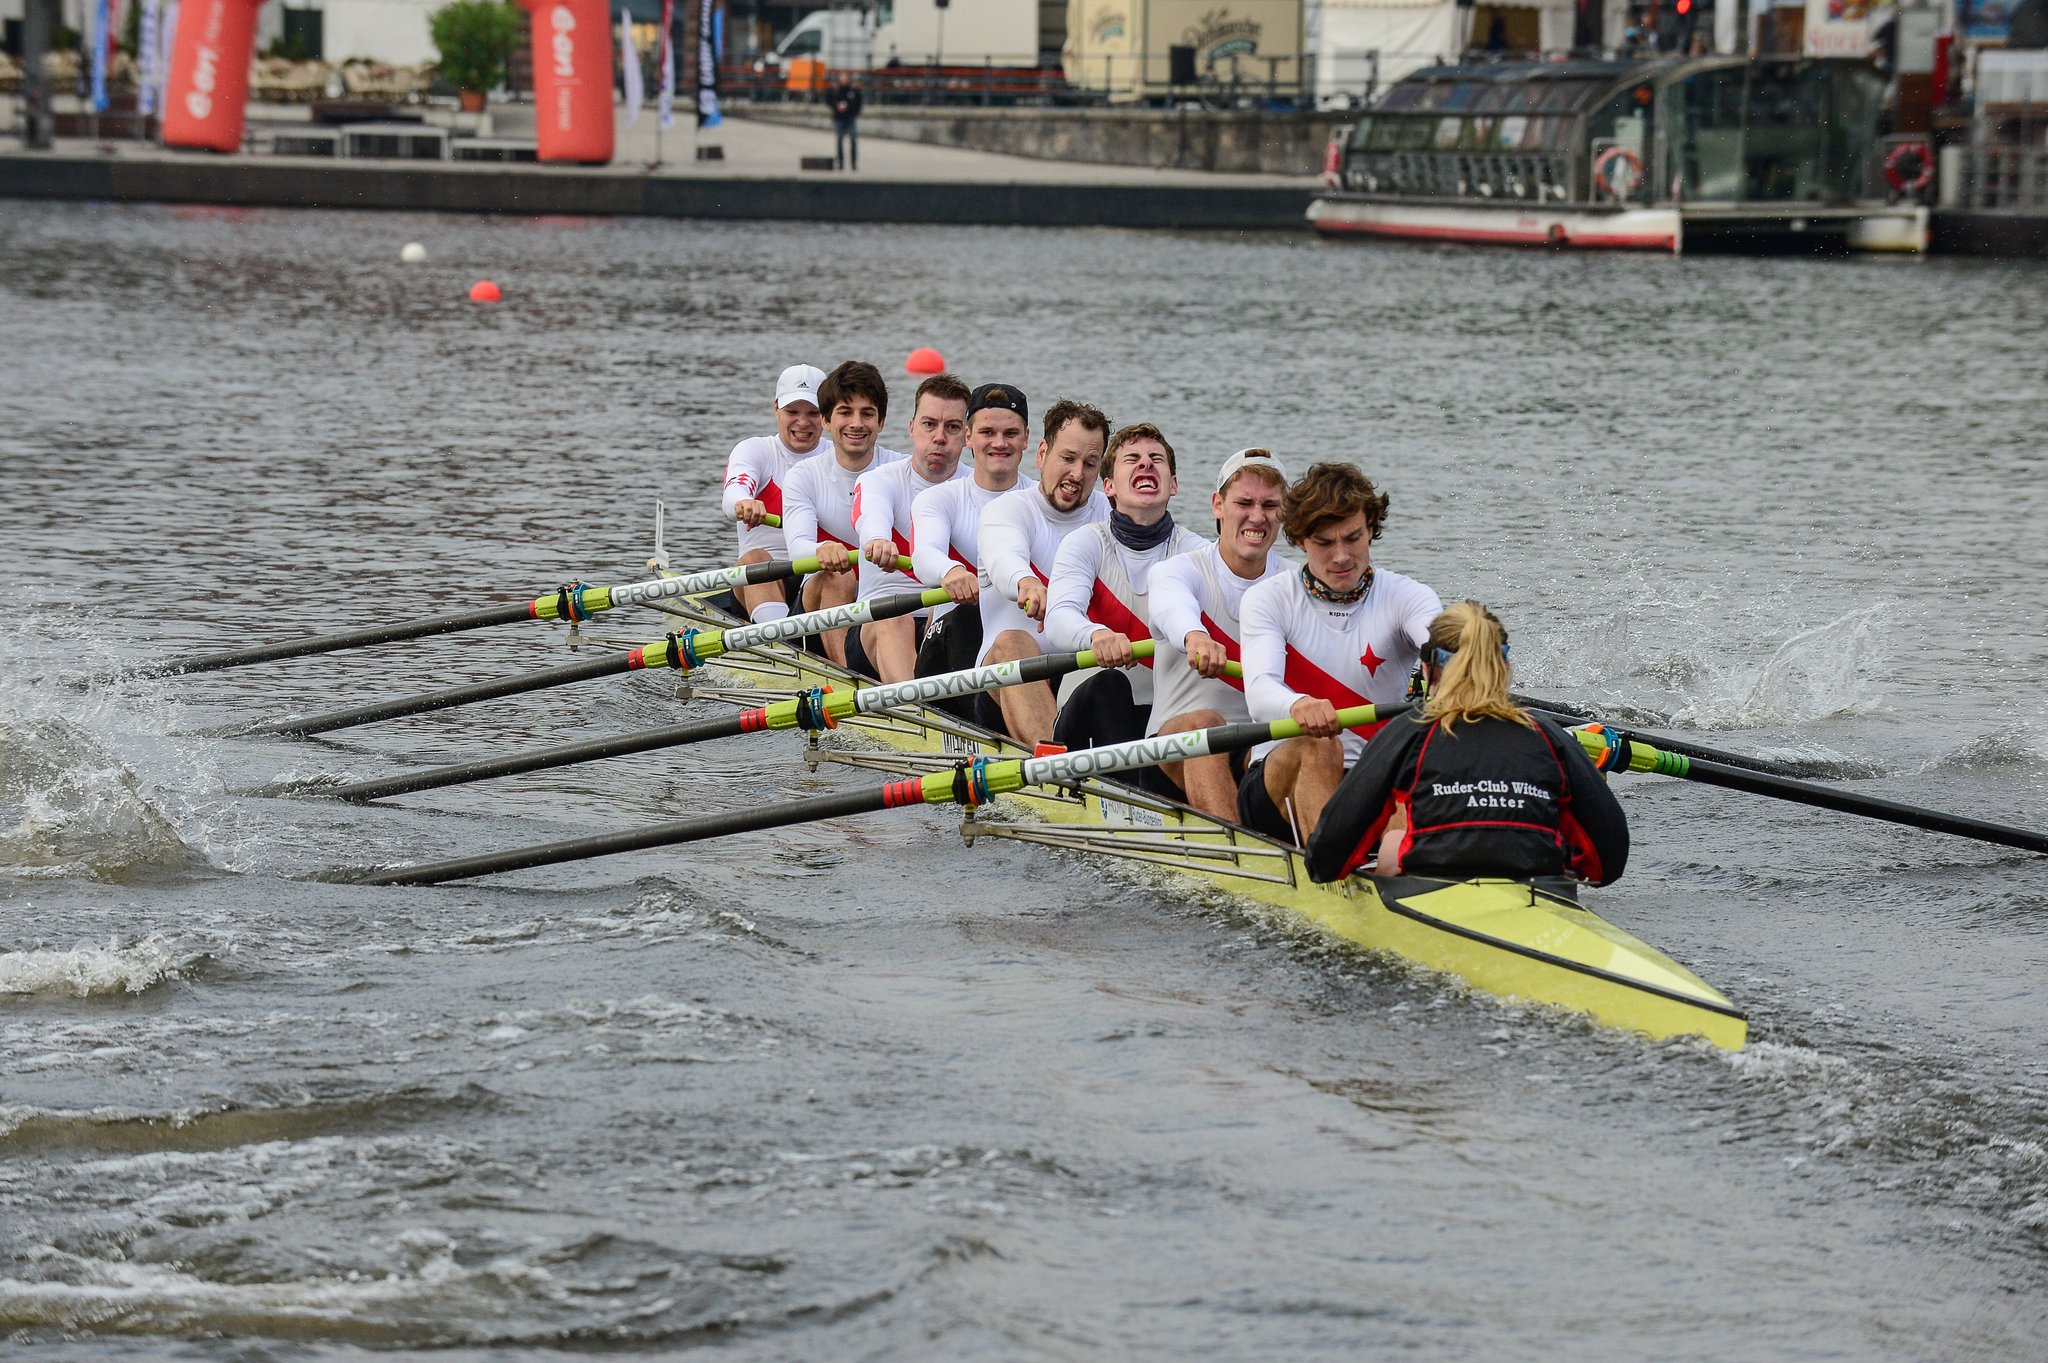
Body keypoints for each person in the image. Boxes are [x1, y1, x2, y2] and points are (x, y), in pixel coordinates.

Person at [1305, 601, 1629, 886]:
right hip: (1538, 887)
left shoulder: (1407, 733)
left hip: (1426, 886)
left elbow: (1327, 859)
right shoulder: (1548, 735)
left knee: (1392, 845)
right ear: (1504, 667)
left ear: (1428, 670)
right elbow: (1609, 862)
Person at [1239, 463, 1442, 845]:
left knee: (1417, 762)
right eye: (1324, 543)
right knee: (1320, 743)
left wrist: (1451, 662)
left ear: (1370, 527)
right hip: (1279, 783)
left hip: (1368, 779)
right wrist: (1298, 705)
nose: (1341, 557)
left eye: (1352, 538)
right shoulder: (1269, 599)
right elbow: (1260, 693)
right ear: (1301, 539)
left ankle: (1405, 862)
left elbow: (1440, 640)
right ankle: (1331, 863)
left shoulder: (1408, 596)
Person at [1043, 422, 1207, 759]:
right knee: (1111, 684)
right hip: (1087, 713)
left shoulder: (1198, 553)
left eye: (1156, 459)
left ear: (1173, 485)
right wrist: (1096, 635)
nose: (1146, 463)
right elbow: (1059, 619)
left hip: (1159, 721)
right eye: (1132, 459)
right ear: (1109, 486)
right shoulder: (1086, 543)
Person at [1145, 449, 1292, 820]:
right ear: (1218, 505)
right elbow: (1173, 606)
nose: (1257, 516)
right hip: (1172, 753)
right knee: (1205, 724)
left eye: (1270, 505)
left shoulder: (1296, 583)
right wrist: (1195, 637)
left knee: (1310, 743)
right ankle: (1237, 844)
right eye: (1244, 503)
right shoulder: (1177, 571)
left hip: (1256, 751)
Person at [975, 399, 1112, 746]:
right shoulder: (1007, 510)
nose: (1077, 474)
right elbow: (1005, 557)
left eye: (1090, 463)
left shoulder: (1112, 516)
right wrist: (1027, 584)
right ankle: (1054, 764)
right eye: (1068, 458)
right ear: (1041, 454)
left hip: (1081, 675)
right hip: (1004, 681)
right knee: (1013, 641)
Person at [907, 382, 1032, 706]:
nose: (999, 443)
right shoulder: (939, 499)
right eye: (987, 432)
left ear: (1027, 438)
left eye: (1010, 433)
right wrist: (951, 572)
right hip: (952, 646)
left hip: (1026, 646)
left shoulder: (1041, 501)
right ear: (968, 437)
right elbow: (924, 554)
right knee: (968, 615)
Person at [844, 372, 971, 682]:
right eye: (929, 424)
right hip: (879, 625)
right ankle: (915, 705)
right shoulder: (879, 480)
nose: (939, 437)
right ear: (912, 428)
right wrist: (878, 540)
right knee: (895, 618)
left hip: (945, 624)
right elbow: (870, 515)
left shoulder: (977, 488)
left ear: (967, 436)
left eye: (952, 427)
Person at [780, 361, 903, 666]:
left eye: (867, 414)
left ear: (881, 422)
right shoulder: (803, 476)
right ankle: (847, 673)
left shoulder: (901, 469)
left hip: (880, 606)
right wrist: (822, 549)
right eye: (845, 412)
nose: (856, 424)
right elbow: (797, 548)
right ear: (826, 420)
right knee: (839, 576)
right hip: (815, 611)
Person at [720, 363, 827, 623]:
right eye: (792, 411)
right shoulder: (755, 451)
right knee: (755, 559)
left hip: (821, 579)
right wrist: (743, 503)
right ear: (776, 408)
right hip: (764, 581)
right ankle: (777, 637)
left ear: (827, 415)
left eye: (813, 412)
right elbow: (734, 491)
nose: (803, 422)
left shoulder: (838, 457)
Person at [831, 77, 863, 171]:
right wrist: (837, 106)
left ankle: (853, 162)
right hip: (840, 118)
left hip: (850, 118)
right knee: (840, 140)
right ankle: (841, 162)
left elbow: (858, 101)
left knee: (853, 139)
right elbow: (830, 100)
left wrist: (855, 112)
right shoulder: (836, 91)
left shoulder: (852, 91)